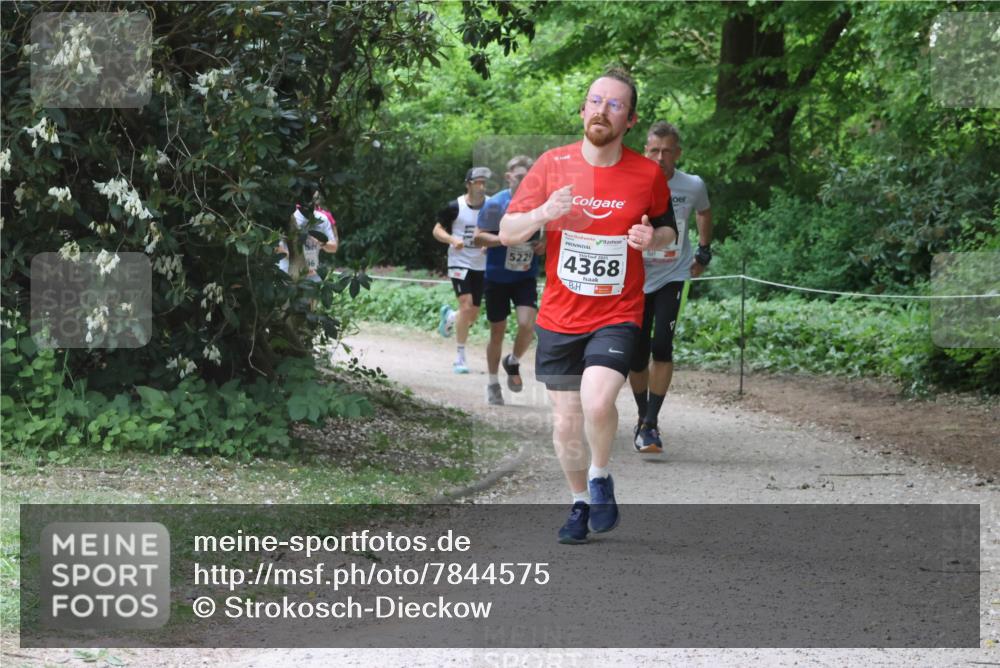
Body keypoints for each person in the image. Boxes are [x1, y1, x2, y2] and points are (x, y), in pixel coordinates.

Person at [499, 67, 677, 544]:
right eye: (596, 101)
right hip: (560, 315)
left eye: (615, 104)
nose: (602, 110)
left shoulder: (647, 173)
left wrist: (653, 237)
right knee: (566, 421)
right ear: (582, 110)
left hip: (617, 312)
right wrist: (543, 212)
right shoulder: (551, 165)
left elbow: (668, 230)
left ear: (630, 120)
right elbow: (508, 232)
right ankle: (579, 502)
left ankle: (600, 476)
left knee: (598, 401)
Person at [629, 121, 712, 454]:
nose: (660, 157)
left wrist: (704, 250)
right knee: (636, 355)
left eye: (667, 151)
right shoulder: (632, 181)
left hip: (673, 274)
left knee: (662, 346)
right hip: (635, 277)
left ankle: (651, 423)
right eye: (654, 150)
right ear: (645, 151)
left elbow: (704, 212)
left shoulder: (692, 185)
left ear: (678, 153)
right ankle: (641, 415)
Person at [473, 155, 544, 406]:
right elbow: (478, 238)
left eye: (530, 177)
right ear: (508, 177)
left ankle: (512, 361)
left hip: (525, 275)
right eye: (520, 177)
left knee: (527, 324)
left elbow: (547, 235)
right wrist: (504, 240)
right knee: (497, 331)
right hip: (497, 277)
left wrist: (542, 245)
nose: (525, 182)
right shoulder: (495, 204)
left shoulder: (539, 204)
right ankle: (493, 383)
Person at [434, 167, 491, 374]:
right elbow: (437, 230)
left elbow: (498, 229)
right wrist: (452, 239)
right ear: (468, 184)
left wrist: (489, 243)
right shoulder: (454, 207)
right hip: (459, 262)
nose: (481, 186)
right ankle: (460, 357)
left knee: (472, 314)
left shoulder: (492, 206)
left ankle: (451, 316)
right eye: (477, 182)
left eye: (484, 182)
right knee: (466, 306)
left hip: (481, 264)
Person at [276, 189, 338, 282]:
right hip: (287, 274)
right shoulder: (288, 217)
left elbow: (334, 247)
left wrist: (320, 242)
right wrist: (302, 263)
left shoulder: (322, 218)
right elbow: (277, 248)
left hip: (312, 276)